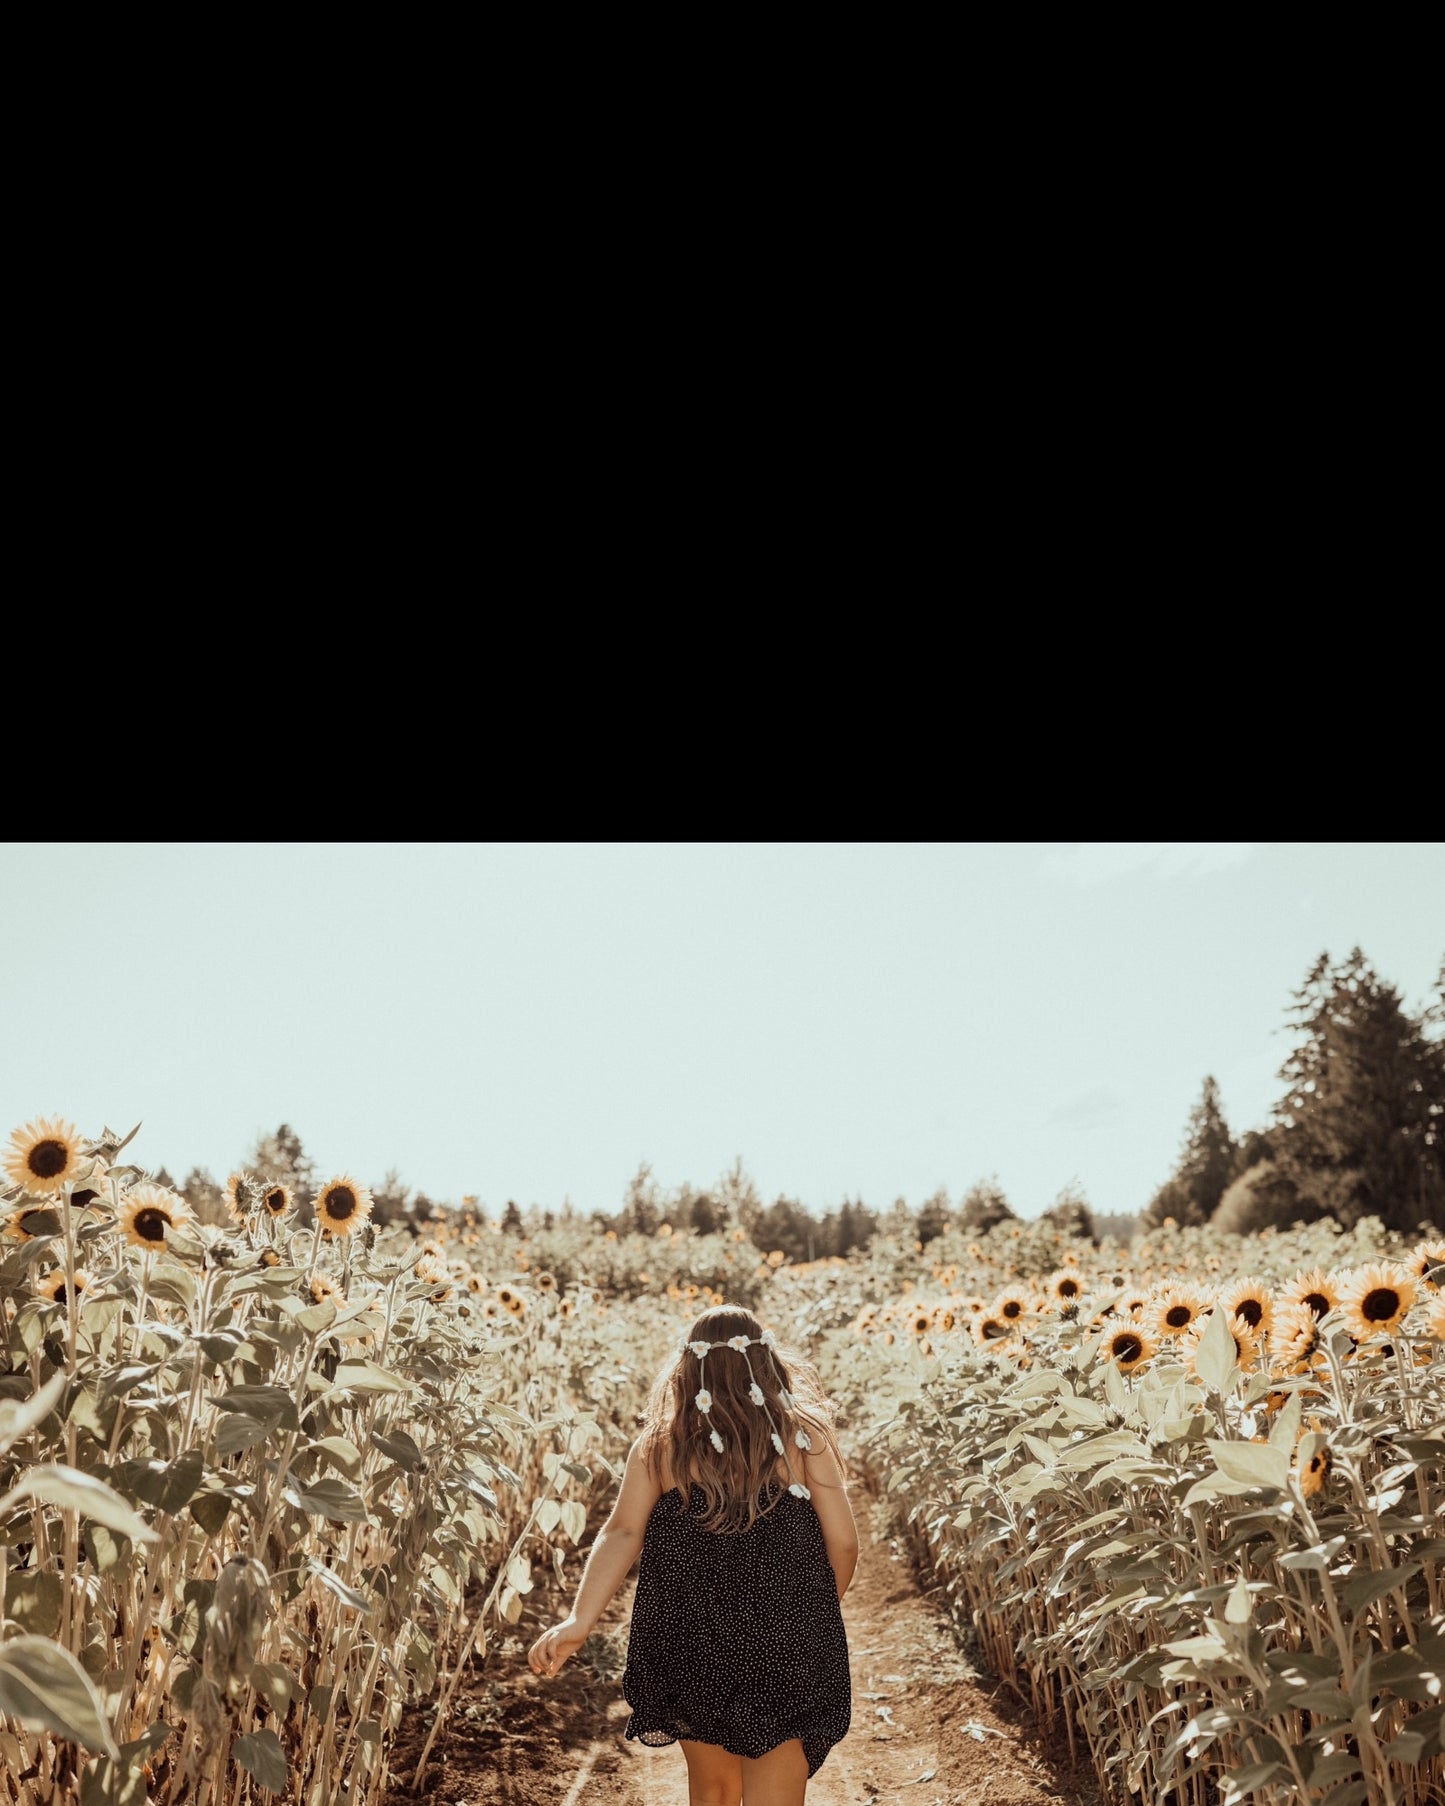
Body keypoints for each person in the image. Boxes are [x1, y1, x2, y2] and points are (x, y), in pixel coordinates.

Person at [527, 1304, 858, 1806]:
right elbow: (845, 1542)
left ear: (688, 1367)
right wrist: (812, 1611)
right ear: (767, 1363)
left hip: (693, 1641)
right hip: (788, 1638)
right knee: (777, 1788)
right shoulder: (801, 1437)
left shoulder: (663, 1445)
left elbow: (621, 1533)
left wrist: (579, 1620)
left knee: (715, 1790)